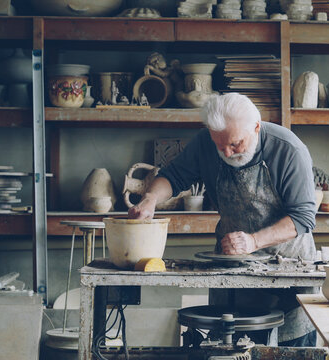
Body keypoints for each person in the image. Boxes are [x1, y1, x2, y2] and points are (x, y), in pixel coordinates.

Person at [129, 92, 318, 347]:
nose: (227, 152)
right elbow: (173, 177)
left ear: (256, 127)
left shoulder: (288, 150)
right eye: (220, 145)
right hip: (233, 266)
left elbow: (303, 217)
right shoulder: (206, 143)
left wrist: (253, 241)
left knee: (289, 349)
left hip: (288, 269)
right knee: (230, 347)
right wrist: (151, 198)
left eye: (235, 144)